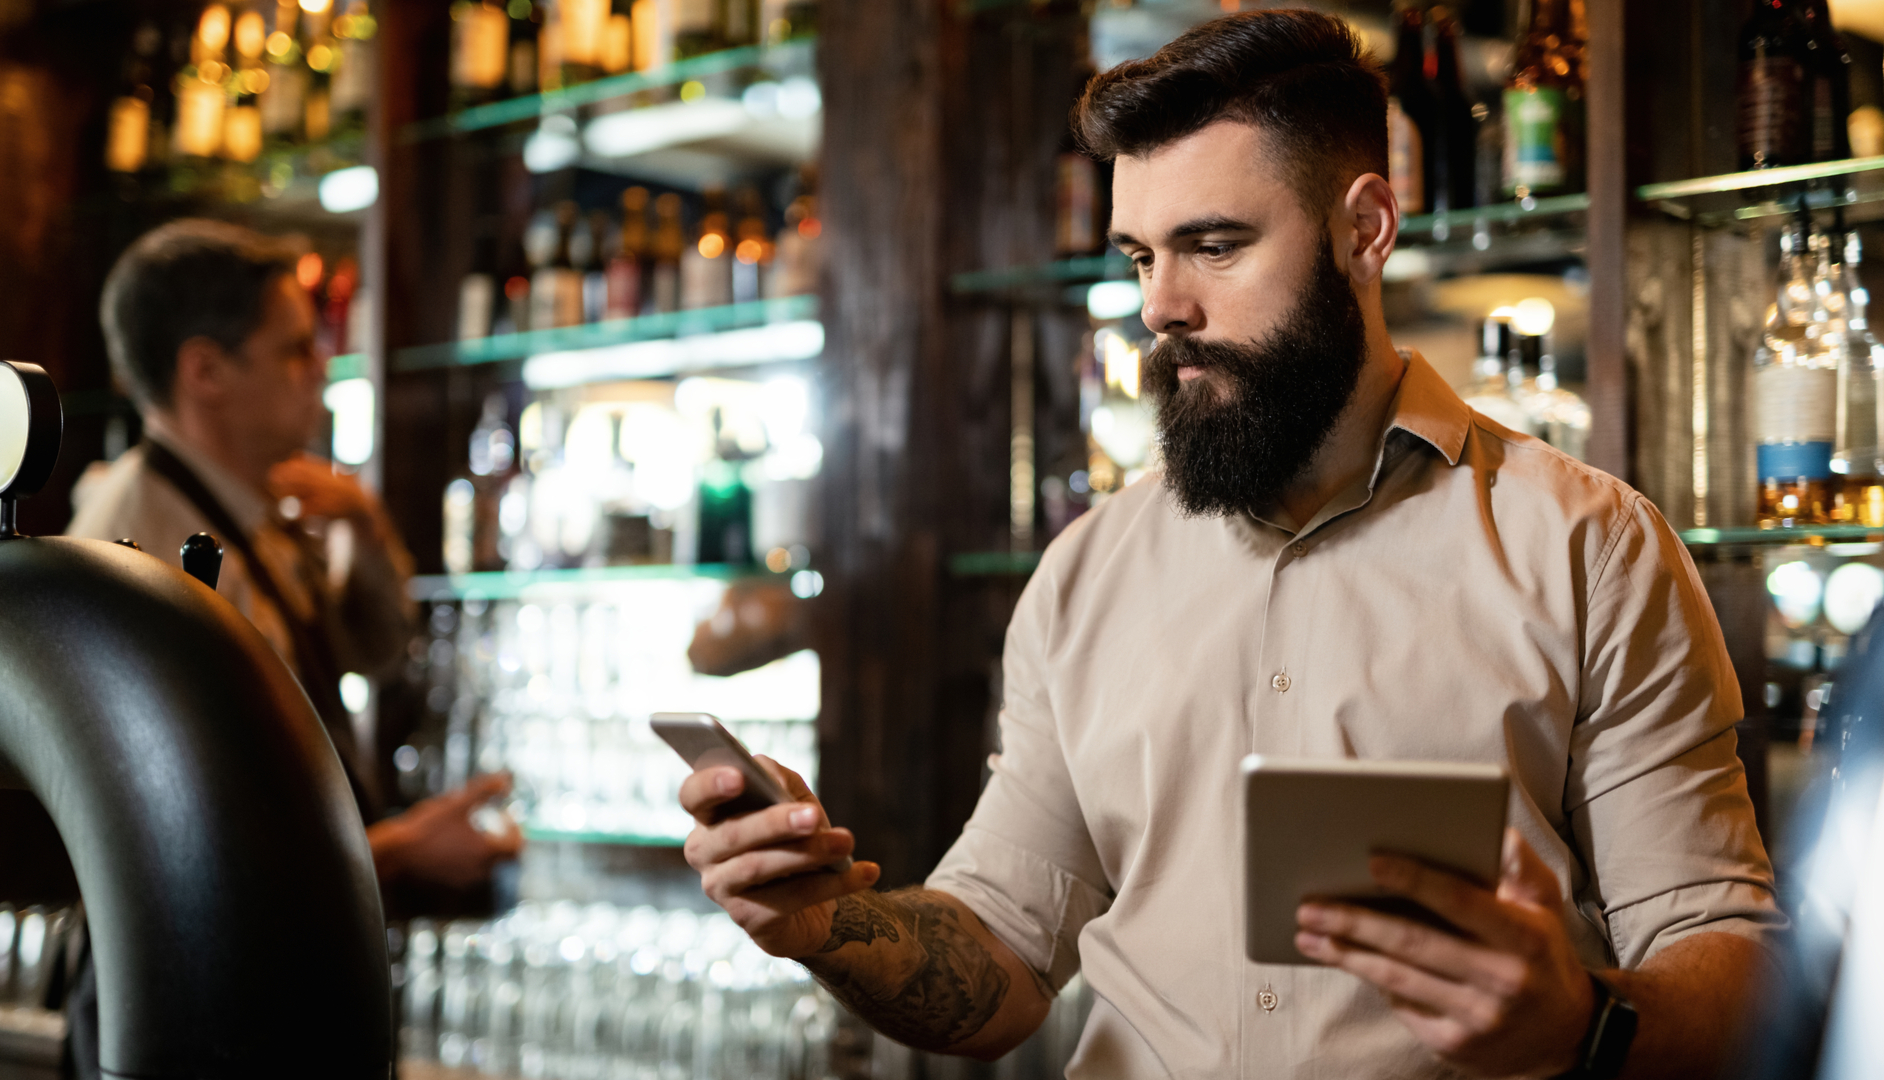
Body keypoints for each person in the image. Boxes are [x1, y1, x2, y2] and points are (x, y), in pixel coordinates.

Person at [679, 11, 1784, 1078]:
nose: (1161, 304)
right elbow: (1004, 958)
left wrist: (1581, 1025)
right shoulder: (1086, 571)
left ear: (1365, 228)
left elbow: (1731, 962)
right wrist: (827, 923)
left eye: (1213, 246)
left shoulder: (1590, 546)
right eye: (1139, 256)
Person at [68, 219, 521, 892]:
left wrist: (365, 531)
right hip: (192, 980)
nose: (321, 370)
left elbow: (377, 655)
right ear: (206, 371)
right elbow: (183, 843)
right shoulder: (139, 549)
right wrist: (399, 851)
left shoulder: (262, 505)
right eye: (297, 350)